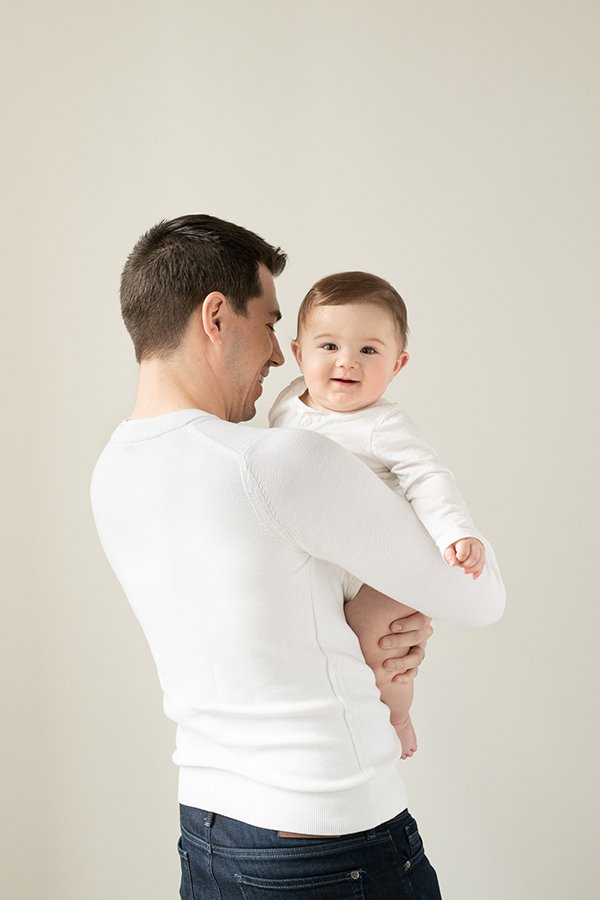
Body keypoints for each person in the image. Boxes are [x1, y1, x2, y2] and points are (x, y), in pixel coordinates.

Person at [90, 214, 505, 900]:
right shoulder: (279, 462)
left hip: (209, 831)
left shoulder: (112, 470)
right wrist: (392, 597)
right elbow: (483, 596)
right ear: (216, 316)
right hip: (329, 842)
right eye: (270, 322)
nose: (282, 356)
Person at [269, 271, 486, 760]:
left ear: (397, 364)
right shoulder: (286, 403)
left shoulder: (383, 423)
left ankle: (398, 716)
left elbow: (427, 476)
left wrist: (456, 532)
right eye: (329, 346)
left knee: (382, 648)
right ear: (300, 353)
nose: (347, 361)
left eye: (369, 351)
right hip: (325, 559)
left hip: (382, 567)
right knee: (328, 648)